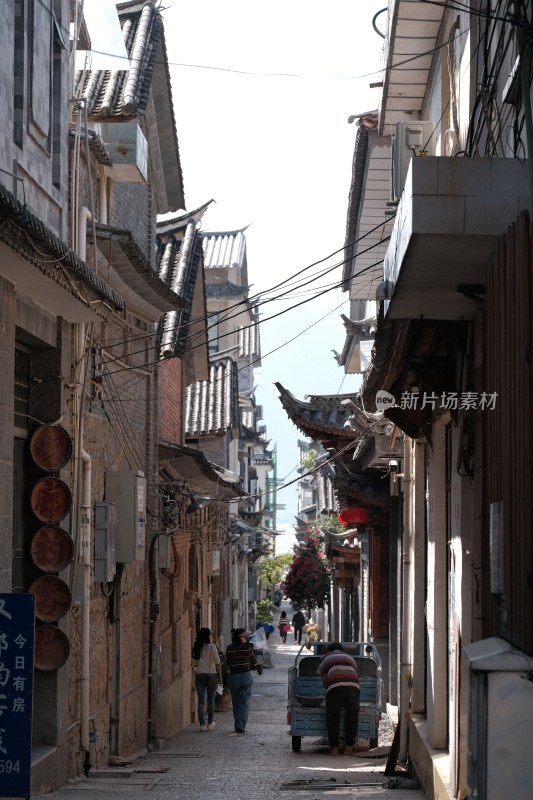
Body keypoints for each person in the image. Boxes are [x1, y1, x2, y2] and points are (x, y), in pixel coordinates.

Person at [319, 642, 360, 755]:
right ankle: (349, 747)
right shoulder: (350, 658)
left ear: (329, 650)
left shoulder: (325, 658)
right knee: (352, 717)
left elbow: (324, 678)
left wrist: (329, 690)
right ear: (341, 650)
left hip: (335, 687)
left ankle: (334, 748)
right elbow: (354, 673)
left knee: (333, 717)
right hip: (354, 687)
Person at [225, 628, 262, 733]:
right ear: (240, 637)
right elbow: (254, 662)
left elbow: (228, 662)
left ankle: (237, 723)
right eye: (244, 636)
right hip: (245, 676)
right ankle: (241, 725)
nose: (246, 638)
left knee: (236, 701)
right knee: (244, 701)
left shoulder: (229, 648)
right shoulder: (247, 648)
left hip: (233, 676)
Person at [192, 627, 222, 732]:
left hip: (200, 675)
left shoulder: (196, 647)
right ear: (208, 636)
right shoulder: (212, 647)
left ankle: (202, 725)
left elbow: (194, 664)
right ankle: (210, 723)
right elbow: (218, 664)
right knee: (211, 701)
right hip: (212, 675)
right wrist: (220, 677)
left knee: (201, 702)